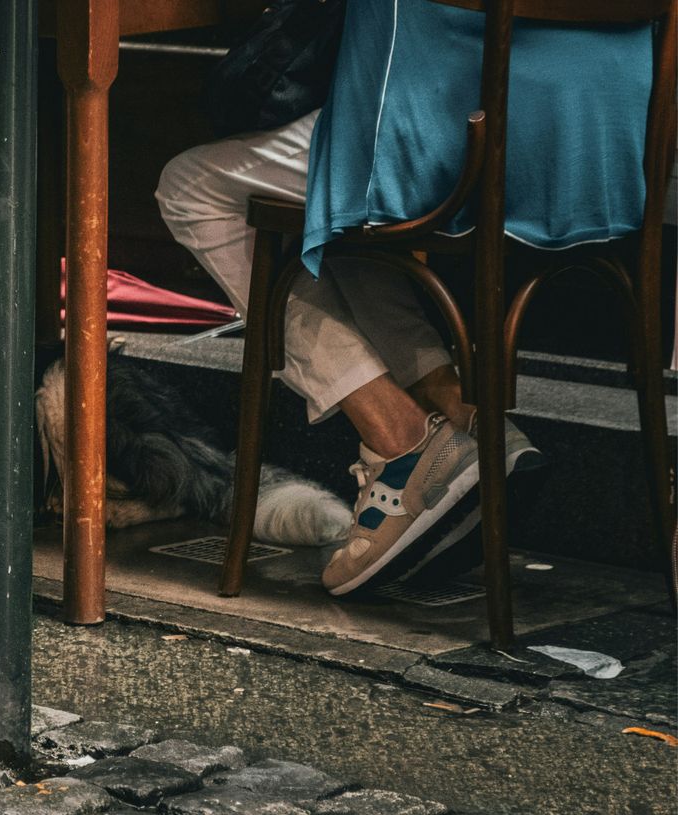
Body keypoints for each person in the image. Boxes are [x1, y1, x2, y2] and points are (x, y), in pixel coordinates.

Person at [157, 1, 664, 595]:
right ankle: (460, 422)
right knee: (340, 220)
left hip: (454, 135)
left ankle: (400, 441)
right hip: (608, 151)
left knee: (193, 186)